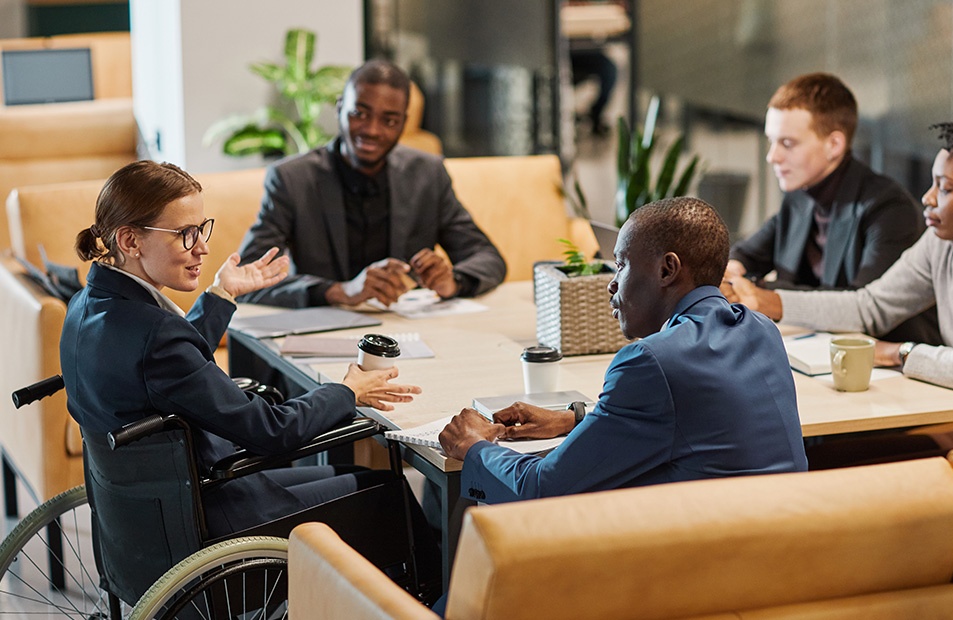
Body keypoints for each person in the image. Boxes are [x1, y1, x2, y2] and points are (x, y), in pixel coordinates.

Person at [60, 160, 422, 537]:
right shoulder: (157, 338)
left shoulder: (87, 307)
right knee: (390, 492)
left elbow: (166, 364)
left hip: (151, 515)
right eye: (185, 233)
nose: (202, 248)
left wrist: (222, 293)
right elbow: (271, 431)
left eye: (201, 229)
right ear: (130, 241)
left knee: (359, 476)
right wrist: (347, 391)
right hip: (217, 515)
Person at [439, 197, 807, 504]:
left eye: (621, 264)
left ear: (667, 270)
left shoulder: (651, 362)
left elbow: (542, 489)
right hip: (779, 561)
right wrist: (575, 419)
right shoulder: (761, 329)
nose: (611, 284)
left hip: (695, 574)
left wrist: (474, 446)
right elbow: (695, 417)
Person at [724, 116, 953, 400]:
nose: (927, 198)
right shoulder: (942, 243)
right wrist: (765, 301)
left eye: (944, 189)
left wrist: (900, 353)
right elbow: (870, 306)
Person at [237, 59, 507, 308]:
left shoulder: (428, 174)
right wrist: (339, 291)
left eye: (389, 120)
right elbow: (246, 278)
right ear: (341, 108)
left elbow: (488, 258)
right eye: (360, 113)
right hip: (324, 331)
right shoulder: (292, 179)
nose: (372, 130)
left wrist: (453, 281)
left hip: (406, 333)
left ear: (403, 123)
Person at [726, 72, 940, 344]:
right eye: (771, 141)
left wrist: (761, 293)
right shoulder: (800, 195)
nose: (772, 156)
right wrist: (732, 272)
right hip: (814, 351)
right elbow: (748, 254)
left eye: (787, 143)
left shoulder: (889, 209)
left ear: (834, 145)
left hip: (886, 365)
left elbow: (860, 309)